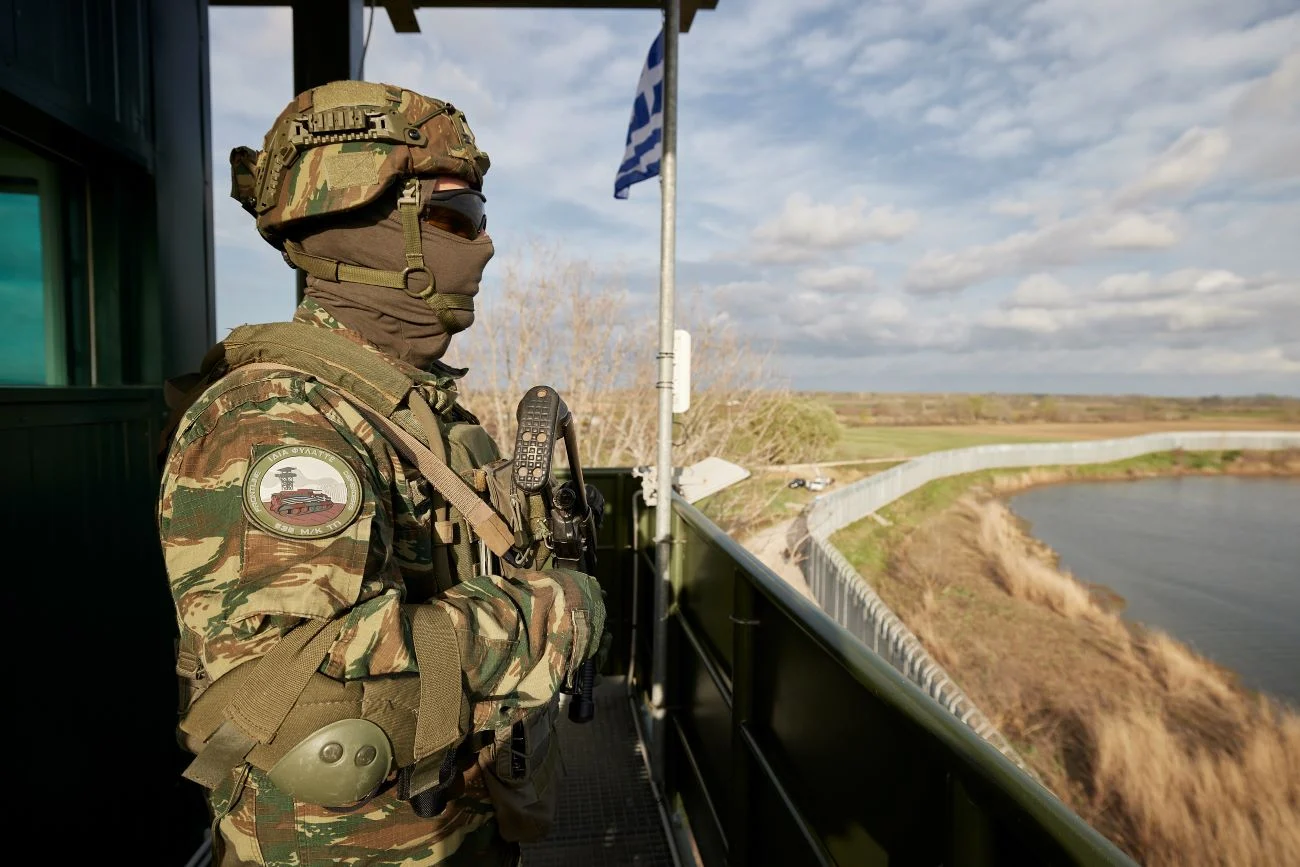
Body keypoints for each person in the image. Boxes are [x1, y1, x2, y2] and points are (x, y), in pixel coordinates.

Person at [158, 80, 606, 866]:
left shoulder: (395, 403)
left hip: (447, 823)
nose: (485, 244)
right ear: (362, 227)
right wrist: (553, 615)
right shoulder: (280, 418)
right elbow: (306, 710)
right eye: (455, 217)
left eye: (479, 217)